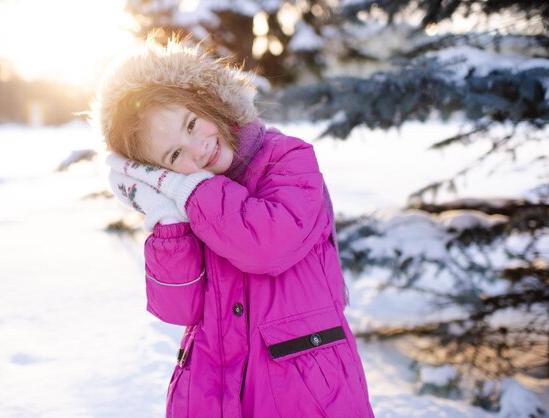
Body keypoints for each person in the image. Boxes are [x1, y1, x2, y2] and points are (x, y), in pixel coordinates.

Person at [93, 36, 375, 418]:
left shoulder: (287, 159)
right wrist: (167, 217)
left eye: (192, 124)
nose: (197, 149)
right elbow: (178, 307)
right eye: (174, 155)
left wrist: (186, 188)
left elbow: (267, 245)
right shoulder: (185, 203)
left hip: (303, 391)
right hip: (214, 388)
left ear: (210, 99)